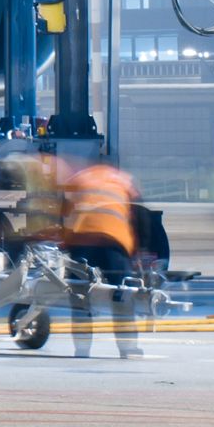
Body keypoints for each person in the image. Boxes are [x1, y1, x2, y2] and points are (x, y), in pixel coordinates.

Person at [60, 152, 144, 358]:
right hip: (114, 242)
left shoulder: (79, 179)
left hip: (82, 241)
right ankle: (127, 348)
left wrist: (68, 244)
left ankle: (81, 348)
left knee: (80, 295)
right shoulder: (124, 180)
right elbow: (141, 217)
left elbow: (64, 214)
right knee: (122, 293)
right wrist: (137, 252)